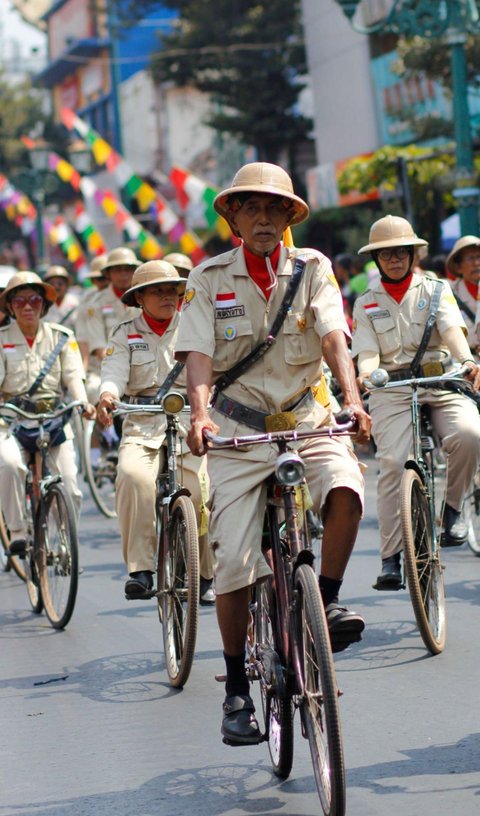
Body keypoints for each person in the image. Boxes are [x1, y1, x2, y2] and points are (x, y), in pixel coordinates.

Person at [175, 162, 370, 745]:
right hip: (236, 432)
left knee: (346, 491)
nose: (263, 218)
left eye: (274, 209)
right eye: (250, 208)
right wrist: (200, 415)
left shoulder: (314, 269)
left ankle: (326, 603)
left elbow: (336, 339)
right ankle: (237, 688)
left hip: (309, 418)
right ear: (232, 216)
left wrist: (354, 401)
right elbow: (199, 357)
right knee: (233, 563)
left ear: (289, 217)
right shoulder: (208, 278)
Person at [352, 215, 480, 590]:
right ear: (377, 260)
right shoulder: (366, 303)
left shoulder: (436, 290)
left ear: (411, 255)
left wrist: (468, 361)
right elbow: (367, 354)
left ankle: (454, 510)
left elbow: (454, 335)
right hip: (391, 390)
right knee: (393, 463)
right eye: (386, 254)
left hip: (439, 382)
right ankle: (391, 558)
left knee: (471, 434)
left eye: (400, 253)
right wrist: (365, 373)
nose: (394, 259)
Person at [96, 260, 214, 603]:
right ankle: (141, 569)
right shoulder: (124, 332)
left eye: (172, 290)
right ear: (139, 298)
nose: (167, 297)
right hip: (142, 421)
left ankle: (205, 573)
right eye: (157, 291)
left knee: (200, 493)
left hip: (191, 419)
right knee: (133, 476)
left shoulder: (195, 325)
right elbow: (113, 370)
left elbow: (213, 370)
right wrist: (107, 395)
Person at [0, 271, 95, 554]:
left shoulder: (62, 338)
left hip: (54, 419)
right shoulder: (2, 339)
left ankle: (64, 537)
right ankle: (17, 529)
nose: (27, 307)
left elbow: (74, 378)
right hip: (10, 420)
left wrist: (83, 402)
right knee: (9, 464)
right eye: (19, 301)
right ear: (10, 307)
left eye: (34, 300)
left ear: (44, 305)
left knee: (70, 485)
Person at [80, 247, 141, 367]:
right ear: (108, 274)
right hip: (107, 366)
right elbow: (99, 348)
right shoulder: (95, 304)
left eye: (128, 269)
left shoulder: (146, 299)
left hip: (144, 367)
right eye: (118, 270)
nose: (123, 275)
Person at [75, 253, 109, 404]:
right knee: (93, 392)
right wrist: (81, 374)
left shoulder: (132, 297)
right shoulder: (88, 302)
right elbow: (83, 340)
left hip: (136, 365)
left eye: (105, 278)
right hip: (99, 366)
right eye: (98, 279)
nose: (102, 283)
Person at [446, 236, 480, 355]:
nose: (477, 263)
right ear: (458, 267)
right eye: (470, 259)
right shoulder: (449, 292)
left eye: (479, 257)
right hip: (466, 363)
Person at [43, 265, 80, 330]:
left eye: (60, 284)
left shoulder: (76, 302)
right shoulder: (42, 305)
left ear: (66, 285)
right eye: (52, 284)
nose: (56, 287)